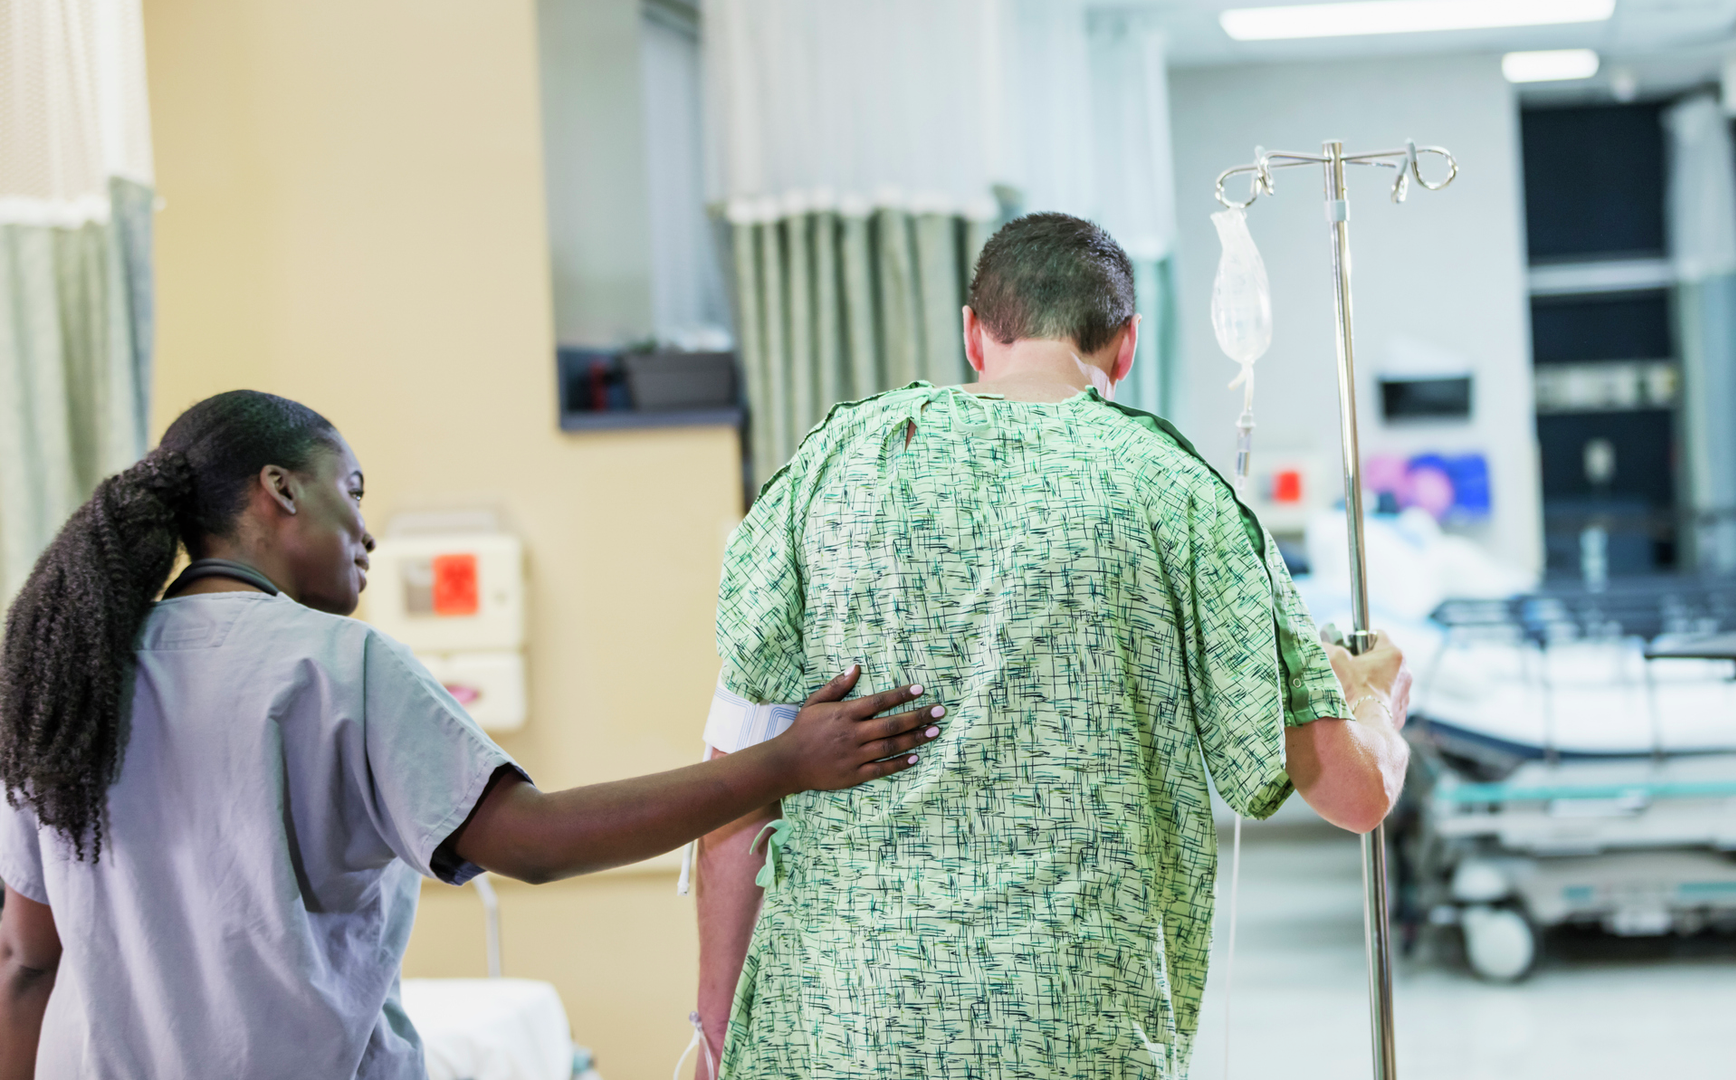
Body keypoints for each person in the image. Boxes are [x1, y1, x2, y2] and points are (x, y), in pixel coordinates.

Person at [0, 390, 945, 1079]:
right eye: (353, 492)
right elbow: (532, 842)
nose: (367, 533)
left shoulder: (65, 684)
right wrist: (784, 761)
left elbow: (26, 963)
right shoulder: (338, 667)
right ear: (279, 490)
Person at [692, 213, 1412, 1079]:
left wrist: (712, 1031)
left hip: (836, 1025)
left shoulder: (835, 465)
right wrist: (1371, 698)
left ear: (973, 334)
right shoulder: (1173, 492)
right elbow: (1353, 792)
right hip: (1073, 1028)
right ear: (1127, 346)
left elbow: (731, 797)